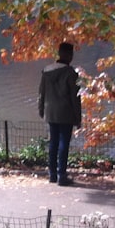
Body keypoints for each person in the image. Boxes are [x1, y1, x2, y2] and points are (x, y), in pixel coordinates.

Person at [38, 41, 81, 186]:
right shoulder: (71, 73)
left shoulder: (47, 71)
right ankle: (62, 175)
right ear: (69, 55)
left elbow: (41, 93)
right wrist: (78, 117)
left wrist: (41, 110)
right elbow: (75, 97)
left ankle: (52, 174)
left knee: (53, 143)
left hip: (51, 112)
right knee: (63, 143)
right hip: (66, 113)